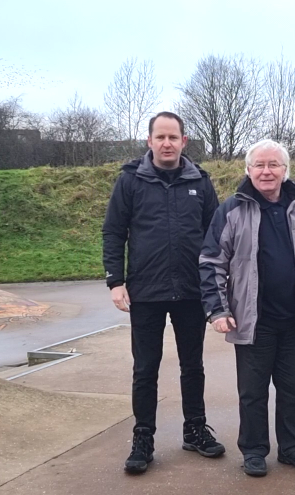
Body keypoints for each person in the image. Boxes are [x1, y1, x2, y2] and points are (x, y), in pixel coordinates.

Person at [200, 139, 295, 477]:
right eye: (260, 165)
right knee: (252, 393)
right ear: (248, 170)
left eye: (274, 165)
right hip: (253, 321)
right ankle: (253, 450)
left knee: (294, 389)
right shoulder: (232, 210)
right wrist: (218, 310)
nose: (266, 171)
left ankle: (293, 448)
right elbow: (211, 261)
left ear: (285, 170)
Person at [103, 111, 225, 474]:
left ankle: (195, 430)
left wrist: (215, 282)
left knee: (193, 365)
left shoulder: (200, 182)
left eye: (174, 137)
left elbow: (216, 236)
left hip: (190, 291)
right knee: (145, 369)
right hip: (146, 292)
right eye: (161, 137)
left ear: (184, 142)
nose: (167, 143)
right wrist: (115, 281)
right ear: (149, 141)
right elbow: (113, 232)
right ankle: (143, 438)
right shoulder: (130, 181)